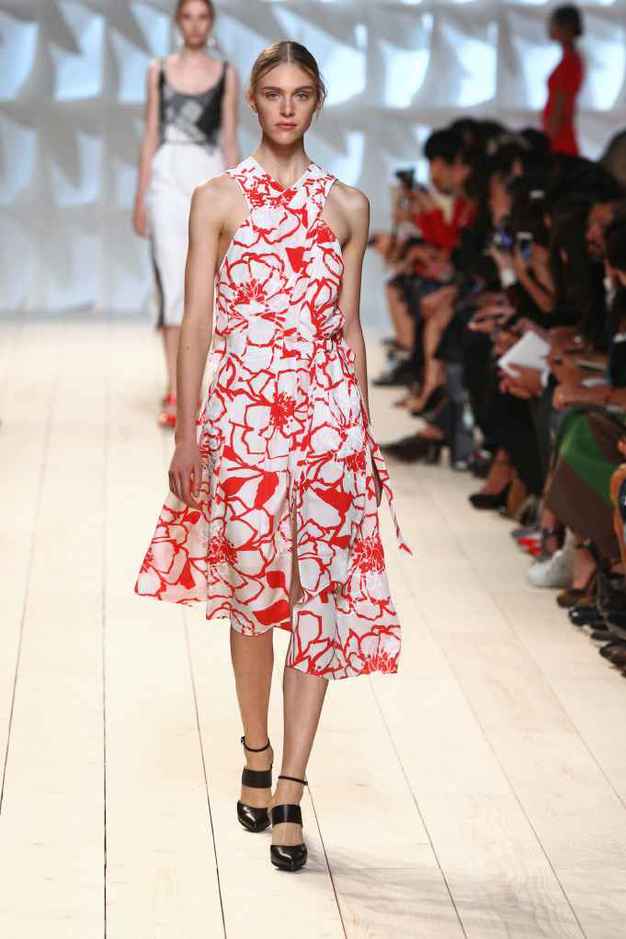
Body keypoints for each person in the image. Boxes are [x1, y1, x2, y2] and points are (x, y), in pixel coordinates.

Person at [134, 40, 413, 872]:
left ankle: (290, 786)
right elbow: (196, 321)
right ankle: (255, 748)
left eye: (300, 93)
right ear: (253, 102)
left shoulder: (349, 205)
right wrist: (187, 431)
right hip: (244, 423)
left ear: (317, 101)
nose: (286, 107)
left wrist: (363, 438)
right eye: (272, 93)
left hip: (327, 428)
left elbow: (350, 329)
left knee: (317, 605)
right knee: (255, 597)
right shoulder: (217, 198)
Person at [132, 0, 240, 428]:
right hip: (166, 179)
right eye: (188, 17)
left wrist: (240, 196)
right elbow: (150, 134)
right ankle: (176, 389)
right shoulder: (157, 71)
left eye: (203, 17)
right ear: (178, 22)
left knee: (205, 286)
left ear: (211, 22)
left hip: (209, 176)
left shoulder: (227, 73)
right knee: (172, 285)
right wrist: (140, 196)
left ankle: (197, 386)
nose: (196, 25)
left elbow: (229, 138)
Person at [542, 4, 585, 157]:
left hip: (559, 137)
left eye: (554, 24)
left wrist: (548, 138)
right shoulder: (571, 59)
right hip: (559, 133)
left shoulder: (570, 62)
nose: (550, 29)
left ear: (566, 28)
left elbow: (560, 104)